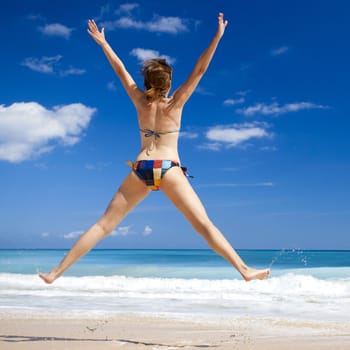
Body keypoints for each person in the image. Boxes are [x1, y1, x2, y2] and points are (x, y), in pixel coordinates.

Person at [39, 13, 269, 284]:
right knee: (204, 225)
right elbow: (200, 70)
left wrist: (103, 43)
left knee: (104, 225)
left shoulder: (139, 100)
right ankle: (243, 269)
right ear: (169, 83)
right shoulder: (176, 103)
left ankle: (55, 273)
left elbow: (120, 69)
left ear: (147, 82)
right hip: (169, 169)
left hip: (142, 168)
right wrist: (217, 36)